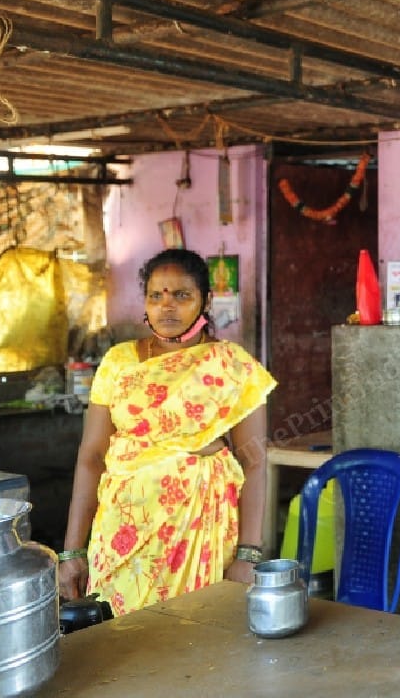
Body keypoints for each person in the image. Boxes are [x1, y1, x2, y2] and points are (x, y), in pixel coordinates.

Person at [57, 248, 277, 616]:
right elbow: (92, 457)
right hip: (121, 533)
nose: (167, 307)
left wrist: (249, 555)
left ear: (205, 300)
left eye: (181, 295)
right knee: (120, 643)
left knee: (195, 642)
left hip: (198, 534)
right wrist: (72, 551)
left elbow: (253, 462)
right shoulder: (119, 363)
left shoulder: (234, 366)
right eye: (156, 295)